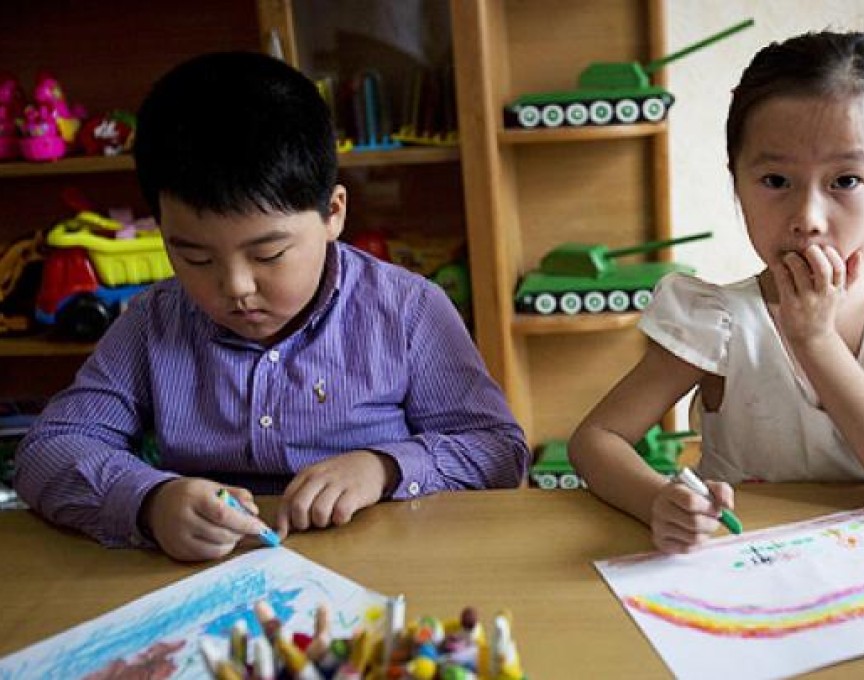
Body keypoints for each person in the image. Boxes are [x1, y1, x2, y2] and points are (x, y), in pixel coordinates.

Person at [14, 52, 529, 562]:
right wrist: (150, 502)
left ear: (333, 212)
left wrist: (385, 468)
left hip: (385, 571)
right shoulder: (155, 321)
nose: (235, 287)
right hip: (213, 585)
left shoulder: (407, 310)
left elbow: (497, 451)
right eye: (194, 257)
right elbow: (47, 450)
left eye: (268, 254)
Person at [568, 30, 864, 554]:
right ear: (737, 183)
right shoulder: (717, 321)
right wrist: (655, 499)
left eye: (844, 181)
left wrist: (815, 340)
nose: (808, 219)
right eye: (776, 181)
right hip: (759, 573)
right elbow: (596, 441)